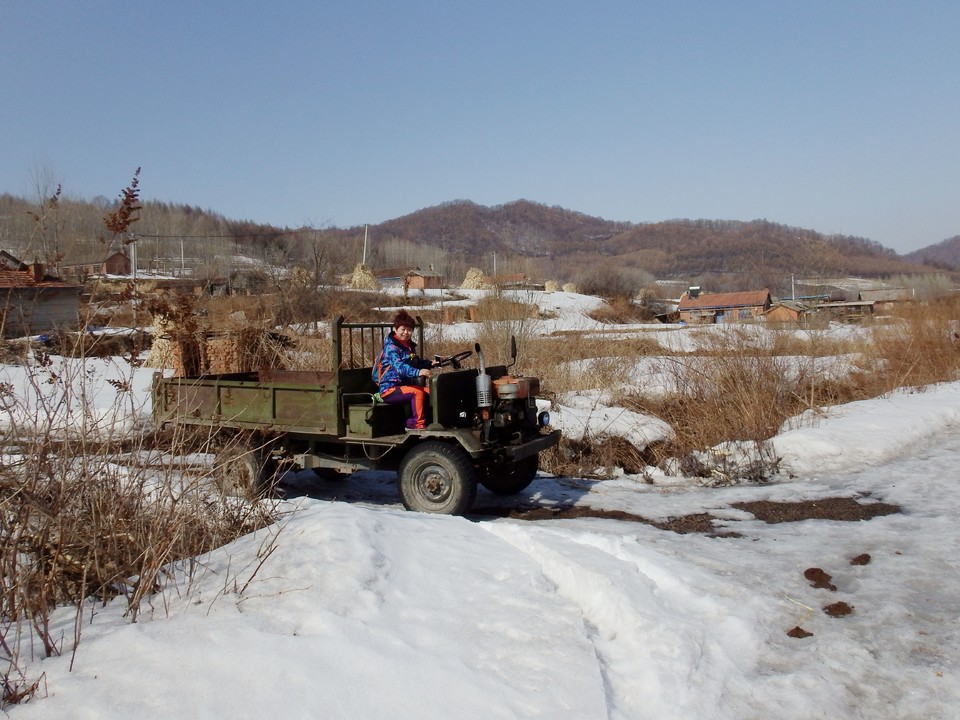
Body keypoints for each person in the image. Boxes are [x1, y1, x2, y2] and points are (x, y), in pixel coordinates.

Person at [374, 310, 439, 430]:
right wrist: (417, 372)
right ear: (395, 329)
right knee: (417, 392)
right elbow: (399, 367)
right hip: (390, 389)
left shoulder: (407, 347)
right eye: (403, 329)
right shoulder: (391, 348)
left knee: (431, 392)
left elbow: (416, 362)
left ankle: (434, 422)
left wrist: (431, 363)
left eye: (409, 330)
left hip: (404, 387)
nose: (406, 333)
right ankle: (415, 424)